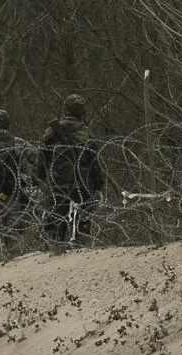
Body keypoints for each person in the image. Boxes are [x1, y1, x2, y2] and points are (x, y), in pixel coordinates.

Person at [39, 94, 105, 247]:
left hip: (58, 183)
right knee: (82, 219)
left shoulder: (51, 132)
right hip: (82, 183)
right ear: (82, 112)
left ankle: (55, 248)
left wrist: (42, 178)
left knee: (55, 221)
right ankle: (80, 247)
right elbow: (94, 161)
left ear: (65, 109)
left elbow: (42, 157)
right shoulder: (87, 133)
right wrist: (98, 183)